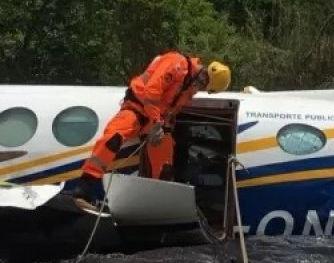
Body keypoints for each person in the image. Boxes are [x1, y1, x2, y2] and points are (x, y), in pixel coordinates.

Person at [75, 52, 231, 207]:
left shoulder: (191, 87)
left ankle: (154, 205)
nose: (200, 88)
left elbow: (172, 109)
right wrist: (156, 123)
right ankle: (84, 188)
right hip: (137, 108)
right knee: (113, 138)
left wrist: (164, 127)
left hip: (157, 121)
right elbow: (151, 92)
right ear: (204, 73)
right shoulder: (176, 63)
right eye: (203, 83)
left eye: (204, 87)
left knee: (165, 165)